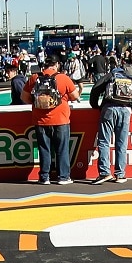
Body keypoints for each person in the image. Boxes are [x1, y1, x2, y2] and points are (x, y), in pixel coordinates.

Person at [29, 54, 80, 184]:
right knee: (62, 149)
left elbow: (24, 97)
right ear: (57, 64)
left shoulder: (34, 78)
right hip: (61, 119)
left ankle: (44, 176)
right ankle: (63, 177)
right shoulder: (63, 78)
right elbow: (74, 96)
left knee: (44, 149)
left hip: (40, 120)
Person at [90, 55, 132, 184]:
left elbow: (96, 88)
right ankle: (120, 174)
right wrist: (130, 109)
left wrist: (96, 106)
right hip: (125, 110)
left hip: (109, 109)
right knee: (121, 143)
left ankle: (105, 172)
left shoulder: (113, 73)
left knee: (104, 141)